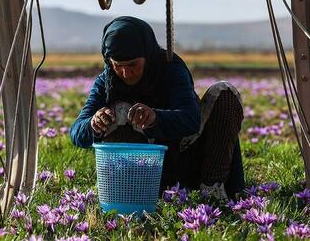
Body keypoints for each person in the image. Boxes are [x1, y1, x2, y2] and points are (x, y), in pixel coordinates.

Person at [70, 16, 244, 200]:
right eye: (118, 66)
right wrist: (93, 124)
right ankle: (135, 192)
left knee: (224, 92)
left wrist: (155, 119)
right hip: (145, 172)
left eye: (133, 65)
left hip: (187, 156)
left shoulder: (171, 69)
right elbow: (76, 132)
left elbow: (191, 120)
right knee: (119, 110)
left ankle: (212, 189)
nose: (126, 73)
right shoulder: (106, 81)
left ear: (147, 54)